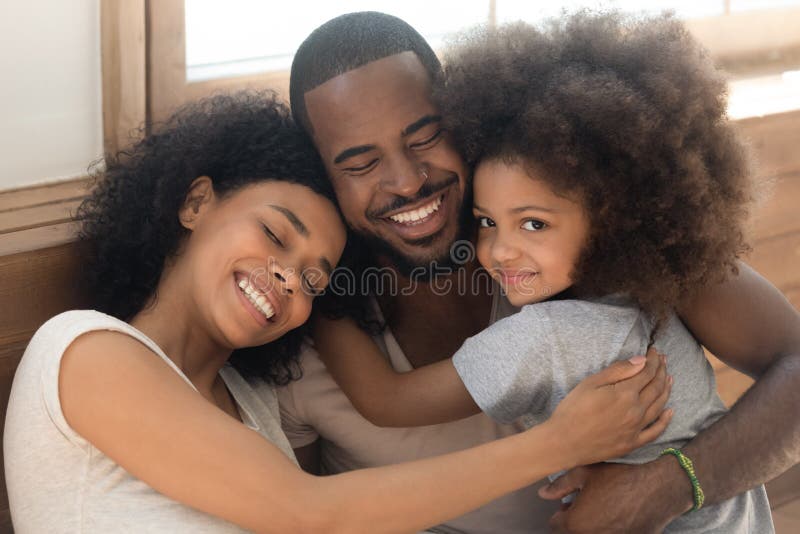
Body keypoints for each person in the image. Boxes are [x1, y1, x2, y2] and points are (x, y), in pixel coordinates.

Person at [3, 91, 670, 533]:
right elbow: (309, 512)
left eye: (314, 278)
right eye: (274, 234)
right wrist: (558, 444)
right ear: (197, 203)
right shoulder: (85, 350)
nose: (286, 280)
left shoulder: (254, 404)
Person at [280, 10, 800, 533]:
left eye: (426, 137)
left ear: (462, 116)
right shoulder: (299, 327)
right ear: (320, 178)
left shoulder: (596, 233)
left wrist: (663, 487)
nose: (406, 181)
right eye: (359, 164)